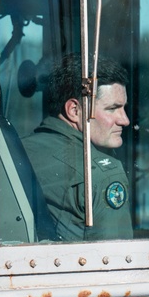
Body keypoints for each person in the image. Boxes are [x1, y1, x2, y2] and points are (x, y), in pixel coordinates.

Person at [22, 54, 133, 241]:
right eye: (112, 108)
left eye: (124, 108)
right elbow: (117, 261)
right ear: (74, 111)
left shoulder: (20, 149)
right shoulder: (101, 176)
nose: (125, 120)